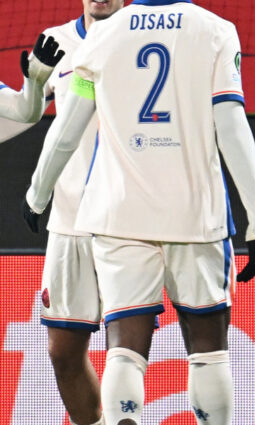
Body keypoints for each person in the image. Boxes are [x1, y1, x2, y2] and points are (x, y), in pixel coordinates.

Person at [22, 0, 255, 423]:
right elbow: (232, 126)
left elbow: (67, 129)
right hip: (196, 215)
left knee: (124, 351)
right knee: (208, 348)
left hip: (121, 216)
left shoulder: (102, 35)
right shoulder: (215, 30)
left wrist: (37, 192)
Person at [1, 4, 123, 425]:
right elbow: (27, 111)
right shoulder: (57, 41)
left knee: (126, 350)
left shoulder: (142, 38)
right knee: (63, 352)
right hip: (70, 219)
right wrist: (34, 82)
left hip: (127, 220)